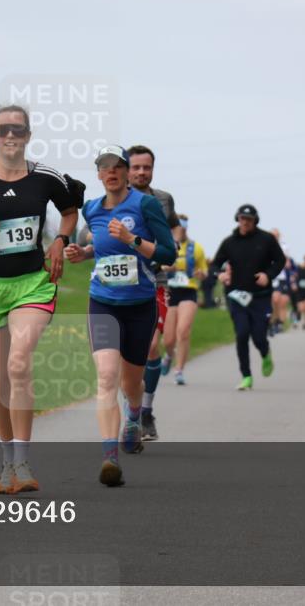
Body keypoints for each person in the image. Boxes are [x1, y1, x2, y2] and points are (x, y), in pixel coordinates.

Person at [0, 104, 80, 495]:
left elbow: (70, 212)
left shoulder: (45, 176)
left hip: (31, 285)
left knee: (18, 363)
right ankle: (6, 463)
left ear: (27, 135)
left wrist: (59, 241)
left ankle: (22, 462)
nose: (10, 135)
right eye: (3, 129)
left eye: (18, 130)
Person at [65, 145, 176, 486]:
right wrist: (81, 253)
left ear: (127, 172)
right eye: (104, 167)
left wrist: (133, 239)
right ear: (98, 174)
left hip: (139, 304)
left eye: (117, 166)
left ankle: (134, 414)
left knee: (131, 384)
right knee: (106, 377)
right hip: (103, 302)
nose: (111, 172)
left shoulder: (145, 205)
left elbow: (169, 252)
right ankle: (109, 457)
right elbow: (100, 247)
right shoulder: (92, 209)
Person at [125, 145, 181, 440]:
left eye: (146, 167)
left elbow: (174, 229)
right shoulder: (113, 199)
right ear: (126, 169)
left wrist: (173, 245)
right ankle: (131, 408)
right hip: (117, 284)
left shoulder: (163, 199)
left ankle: (144, 412)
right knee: (122, 355)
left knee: (150, 348)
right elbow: (88, 233)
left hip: (154, 281)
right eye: (135, 167)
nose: (141, 172)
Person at [207, 204, 285, 391]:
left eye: (249, 219)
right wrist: (220, 275)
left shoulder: (266, 239)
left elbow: (280, 261)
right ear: (237, 219)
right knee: (242, 334)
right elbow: (214, 265)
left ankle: (265, 354)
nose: (245, 222)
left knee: (258, 336)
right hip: (236, 296)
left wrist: (268, 275)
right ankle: (246, 376)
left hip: (260, 297)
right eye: (242, 218)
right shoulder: (229, 242)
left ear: (255, 221)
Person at [160, 215, 208, 390]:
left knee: (184, 331)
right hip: (170, 291)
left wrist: (201, 274)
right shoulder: (166, 245)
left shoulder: (196, 248)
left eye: (182, 229)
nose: (179, 232)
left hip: (189, 291)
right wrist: (167, 267)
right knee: (168, 339)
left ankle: (179, 370)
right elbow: (156, 265)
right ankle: (168, 355)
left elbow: (204, 271)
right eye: (176, 229)